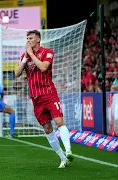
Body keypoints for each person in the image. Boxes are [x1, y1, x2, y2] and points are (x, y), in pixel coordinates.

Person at [15, 30, 74, 168]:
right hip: (35, 98)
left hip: (49, 93)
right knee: (47, 129)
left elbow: (43, 67)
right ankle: (62, 158)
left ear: (38, 40)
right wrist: (25, 58)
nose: (28, 40)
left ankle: (69, 150)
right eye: (27, 38)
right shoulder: (24, 56)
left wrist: (30, 54)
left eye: (31, 38)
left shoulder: (47, 51)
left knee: (59, 121)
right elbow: (17, 73)